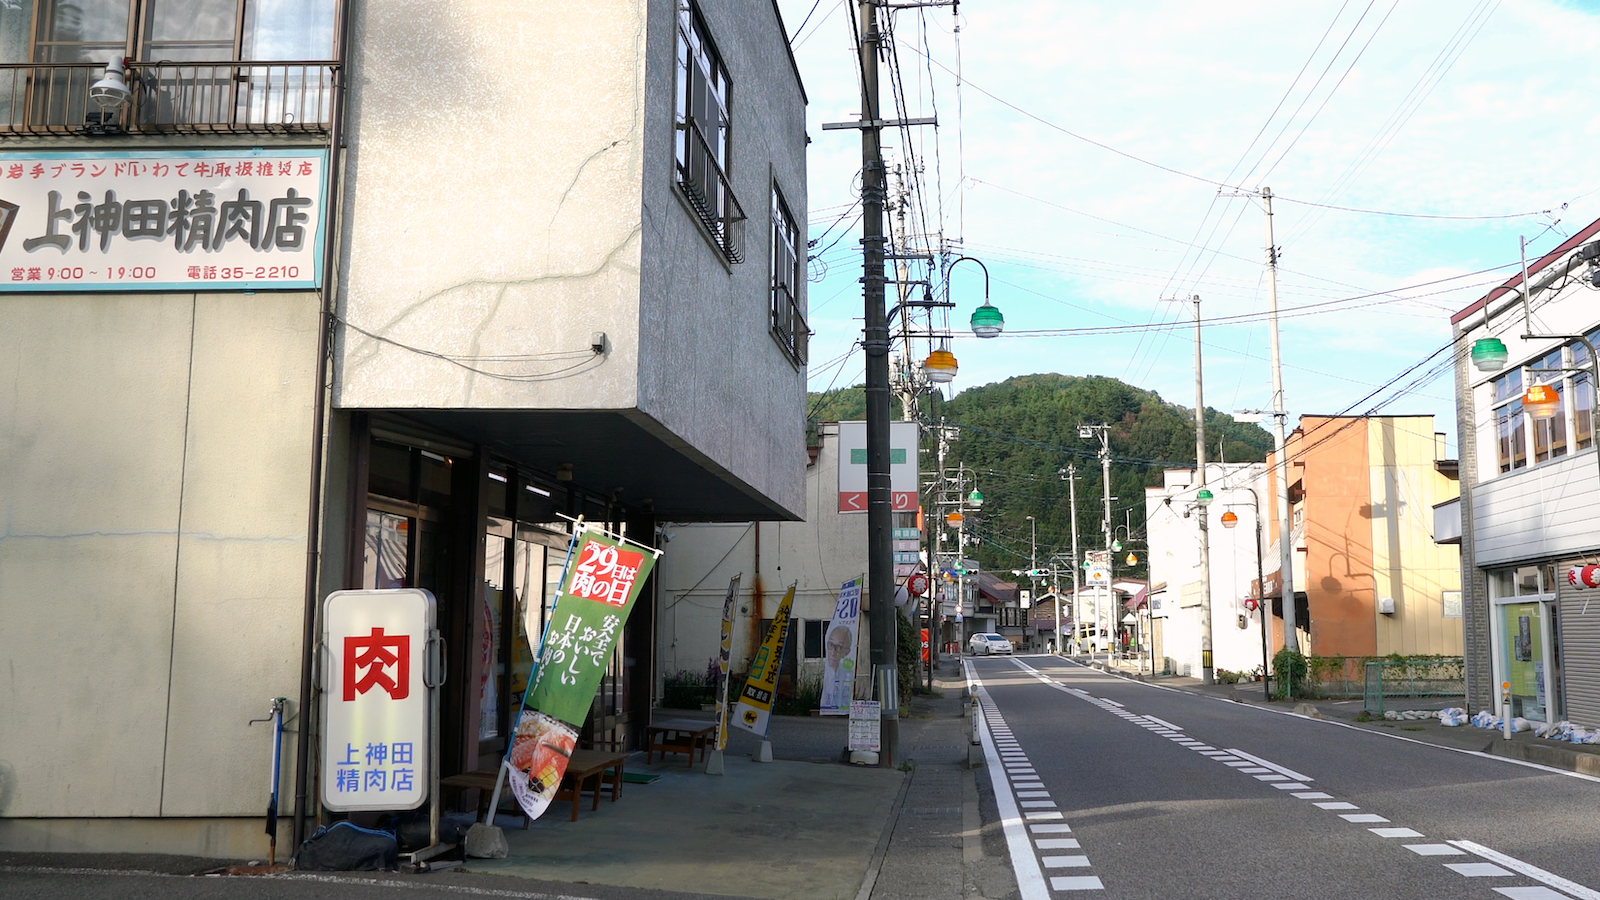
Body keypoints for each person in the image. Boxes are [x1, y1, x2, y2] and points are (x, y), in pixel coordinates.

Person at [820, 625, 856, 711]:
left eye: (839, 647)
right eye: (831, 645)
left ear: (847, 652)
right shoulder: (826, 673)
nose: (833, 652)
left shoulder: (848, 674)